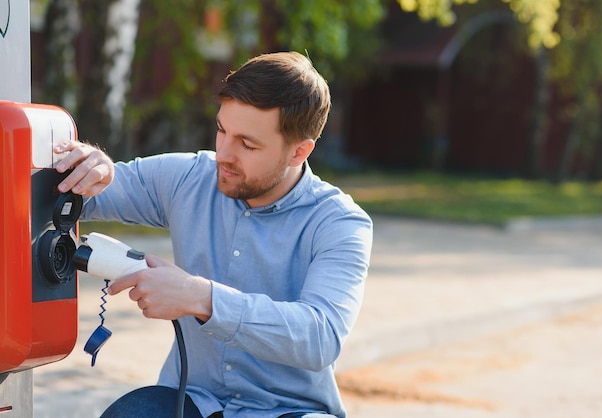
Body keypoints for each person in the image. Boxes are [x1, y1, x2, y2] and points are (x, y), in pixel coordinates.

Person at [55, 51, 373, 418]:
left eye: (247, 144)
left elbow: (320, 337)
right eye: (222, 130)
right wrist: (89, 167)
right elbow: (87, 191)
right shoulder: (189, 177)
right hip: (190, 399)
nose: (223, 153)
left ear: (299, 152)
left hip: (289, 410)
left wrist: (201, 298)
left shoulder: (340, 223)